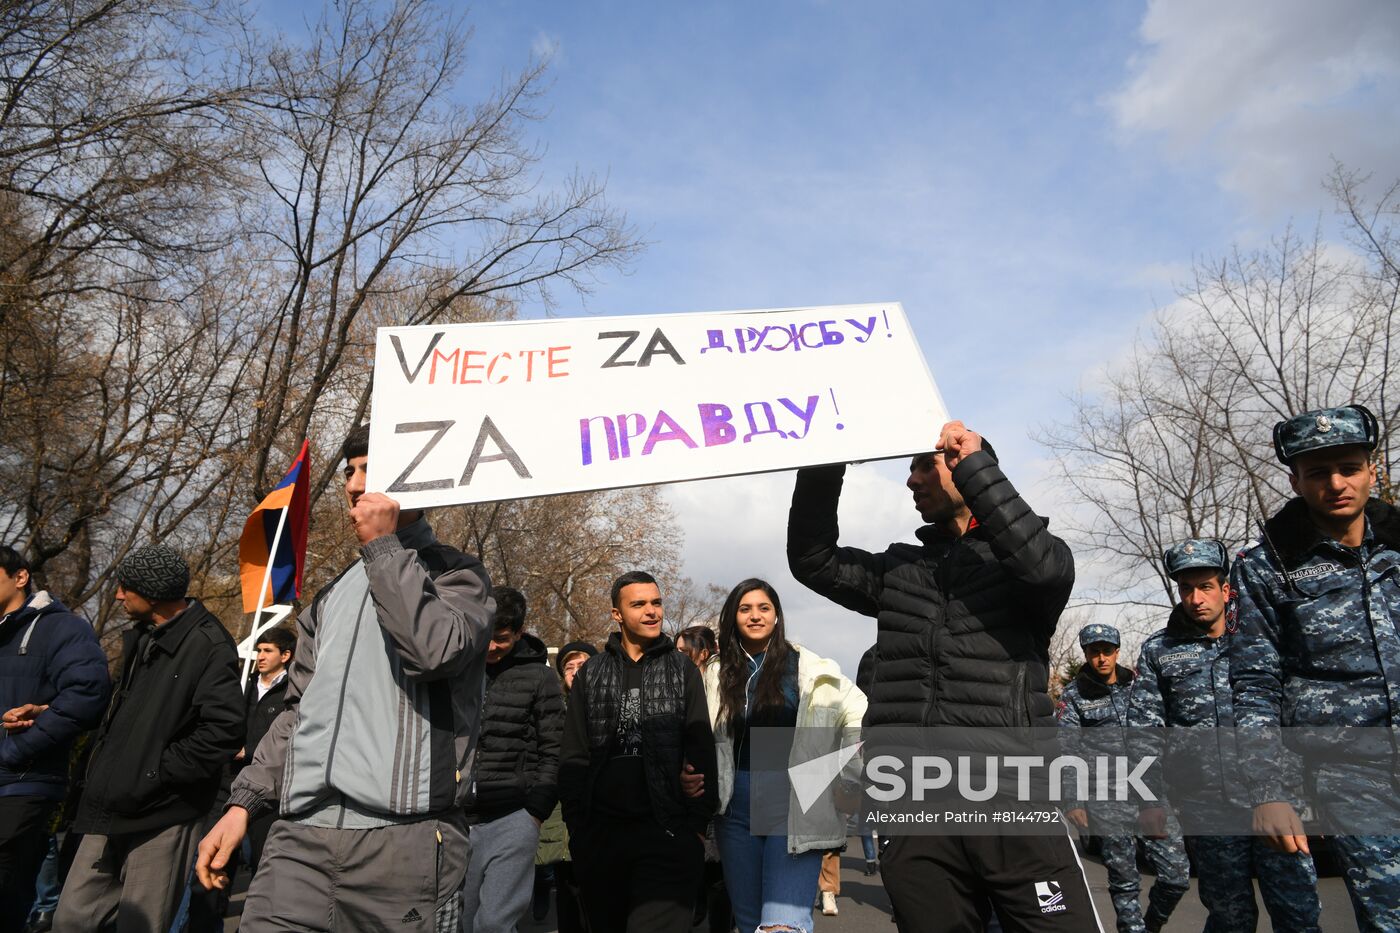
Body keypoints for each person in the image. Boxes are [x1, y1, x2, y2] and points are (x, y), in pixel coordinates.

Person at [788, 420, 1103, 932]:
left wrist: (977, 466)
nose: (911, 481)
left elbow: (1043, 567)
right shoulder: (899, 570)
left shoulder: (1029, 566)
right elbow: (813, 560)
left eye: (923, 466)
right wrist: (827, 460)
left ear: (969, 469)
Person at [195, 423, 495, 931]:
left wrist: (383, 547)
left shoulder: (458, 577)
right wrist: (243, 803)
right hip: (297, 843)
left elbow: (433, 651)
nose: (354, 486)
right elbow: (297, 711)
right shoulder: (332, 594)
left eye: (369, 470)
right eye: (349, 472)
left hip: (406, 846)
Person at [1228, 404, 1400, 931]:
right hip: (1353, 770)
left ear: (1373, 470)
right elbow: (1255, 684)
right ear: (1295, 481)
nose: (1337, 483)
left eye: (1348, 467)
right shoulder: (1266, 567)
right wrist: (1269, 790)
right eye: (1318, 473)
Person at [1130, 539, 1321, 932]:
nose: (1196, 598)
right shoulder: (1159, 651)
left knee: (1298, 914)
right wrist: (1149, 800)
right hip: (1208, 808)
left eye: (1206, 587)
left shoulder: (1264, 636)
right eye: (1187, 589)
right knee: (1229, 919)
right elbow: (1144, 733)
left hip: (1279, 797)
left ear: (1226, 590)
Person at [53, 545, 244, 933]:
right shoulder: (142, 637)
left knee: (141, 926)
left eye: (126, 588)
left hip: (163, 815)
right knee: (70, 920)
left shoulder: (208, 644)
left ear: (152, 593)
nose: (119, 595)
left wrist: (154, 774)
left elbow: (222, 730)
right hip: (107, 810)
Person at [703, 577, 866, 933]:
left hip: (794, 798)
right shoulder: (715, 672)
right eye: (745, 609)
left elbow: (860, 718)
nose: (755, 616)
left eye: (765, 608)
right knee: (748, 924)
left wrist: (845, 776)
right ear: (733, 617)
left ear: (777, 616)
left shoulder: (810, 667)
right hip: (734, 803)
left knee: (783, 926)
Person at [557, 571, 716, 933]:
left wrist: (695, 829)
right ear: (616, 614)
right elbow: (573, 756)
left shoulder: (683, 670)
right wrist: (578, 830)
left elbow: (701, 750)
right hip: (601, 839)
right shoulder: (591, 673)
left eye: (656, 602)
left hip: (668, 835)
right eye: (639, 604)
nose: (651, 611)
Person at [0, 546, 110, 930]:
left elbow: (88, 696)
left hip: (22, 786)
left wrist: (16, 751)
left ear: (20, 577)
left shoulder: (63, 628)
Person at [1057, 623, 1189, 933]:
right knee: (1124, 878)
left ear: (1117, 651)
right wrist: (1073, 800)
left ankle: (1152, 924)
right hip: (1106, 796)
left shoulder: (1140, 687)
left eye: (1106, 651)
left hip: (1150, 792)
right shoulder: (1075, 696)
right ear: (1086, 654)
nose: (1101, 658)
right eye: (1094, 652)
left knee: (1176, 875)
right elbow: (1066, 750)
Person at [459, 586, 564, 933]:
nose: (490, 646)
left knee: (493, 923)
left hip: (515, 816)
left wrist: (535, 811)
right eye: (485, 635)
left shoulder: (541, 677)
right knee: (461, 919)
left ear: (520, 633)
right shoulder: (458, 667)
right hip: (458, 817)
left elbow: (554, 746)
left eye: (501, 638)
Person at [673, 624, 732, 933]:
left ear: (704, 653)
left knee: (718, 875)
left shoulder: (719, 682)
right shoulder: (677, 682)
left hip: (717, 789)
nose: (678, 656)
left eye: (684, 651)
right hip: (688, 787)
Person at [534, 642, 595, 933]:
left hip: (603, 817)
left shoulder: (613, 705)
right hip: (562, 819)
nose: (574, 672)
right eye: (568, 667)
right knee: (568, 889)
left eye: (581, 665)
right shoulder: (554, 710)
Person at [237, 626, 296, 875]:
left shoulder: (291, 692)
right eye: (259, 650)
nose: (260, 656)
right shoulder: (242, 686)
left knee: (260, 860)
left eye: (267, 651)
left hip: (267, 790)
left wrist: (248, 750)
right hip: (230, 780)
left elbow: (287, 735)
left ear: (285, 655)